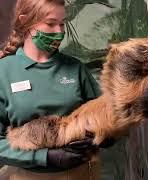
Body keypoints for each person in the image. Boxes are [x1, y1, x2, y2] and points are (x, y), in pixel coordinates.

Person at [0, 0, 114, 179]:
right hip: (26, 175)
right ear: (25, 22)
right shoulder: (4, 71)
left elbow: (106, 115)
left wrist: (104, 135)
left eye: (62, 24)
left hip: (80, 172)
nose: (59, 32)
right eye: (51, 23)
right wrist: (45, 157)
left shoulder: (75, 69)